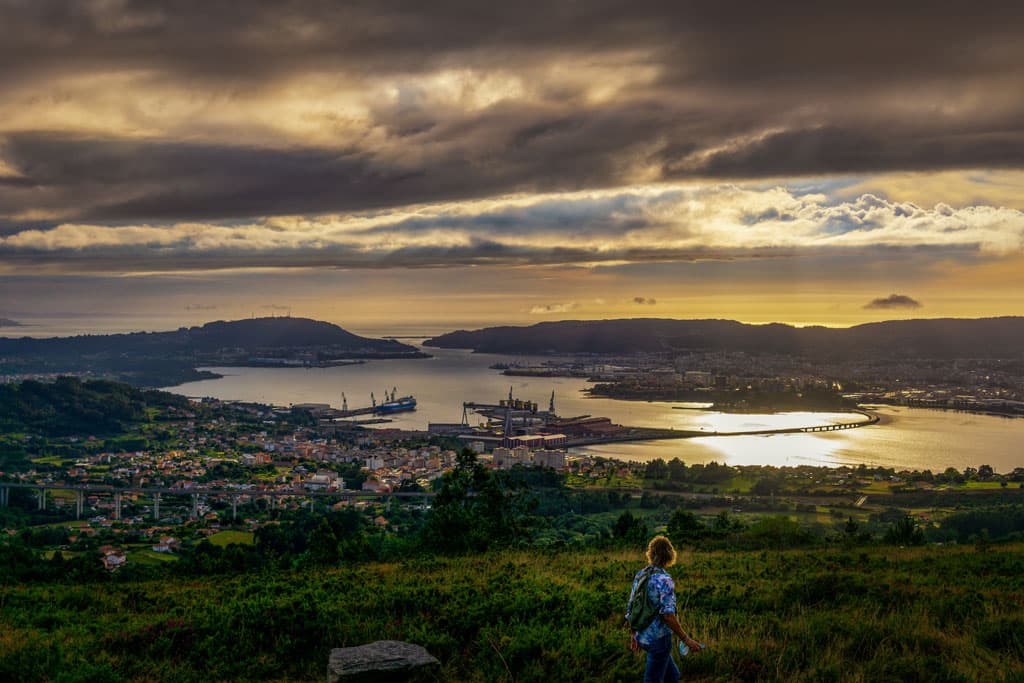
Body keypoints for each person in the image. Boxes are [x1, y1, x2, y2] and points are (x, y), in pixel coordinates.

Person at [625, 535, 702, 682]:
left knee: (673, 677)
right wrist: (687, 639)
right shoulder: (664, 580)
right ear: (670, 554)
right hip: (658, 641)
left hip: (642, 636)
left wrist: (633, 634)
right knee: (652, 680)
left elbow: (632, 606)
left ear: (651, 553)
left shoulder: (641, 575)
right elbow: (668, 616)